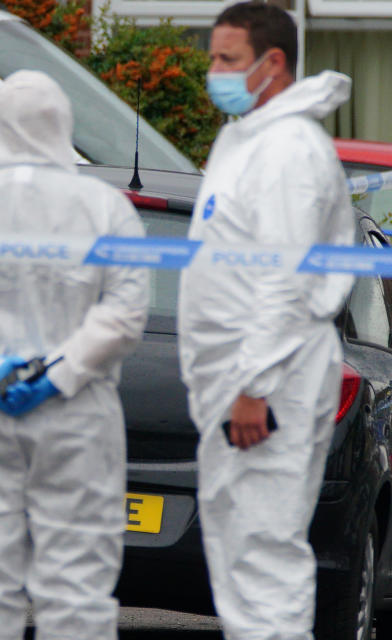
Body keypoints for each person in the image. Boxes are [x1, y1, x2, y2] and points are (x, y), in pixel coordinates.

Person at [0, 70, 149, 640]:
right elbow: (126, 309)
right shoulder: (104, 208)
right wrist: (56, 374)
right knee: (78, 579)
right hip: (76, 414)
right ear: (64, 124)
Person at [177, 4, 354, 638]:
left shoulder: (288, 152)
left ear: (271, 63)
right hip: (242, 381)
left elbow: (286, 282)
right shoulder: (247, 142)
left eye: (227, 59)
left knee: (264, 555)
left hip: (270, 384)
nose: (214, 72)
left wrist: (253, 383)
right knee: (240, 554)